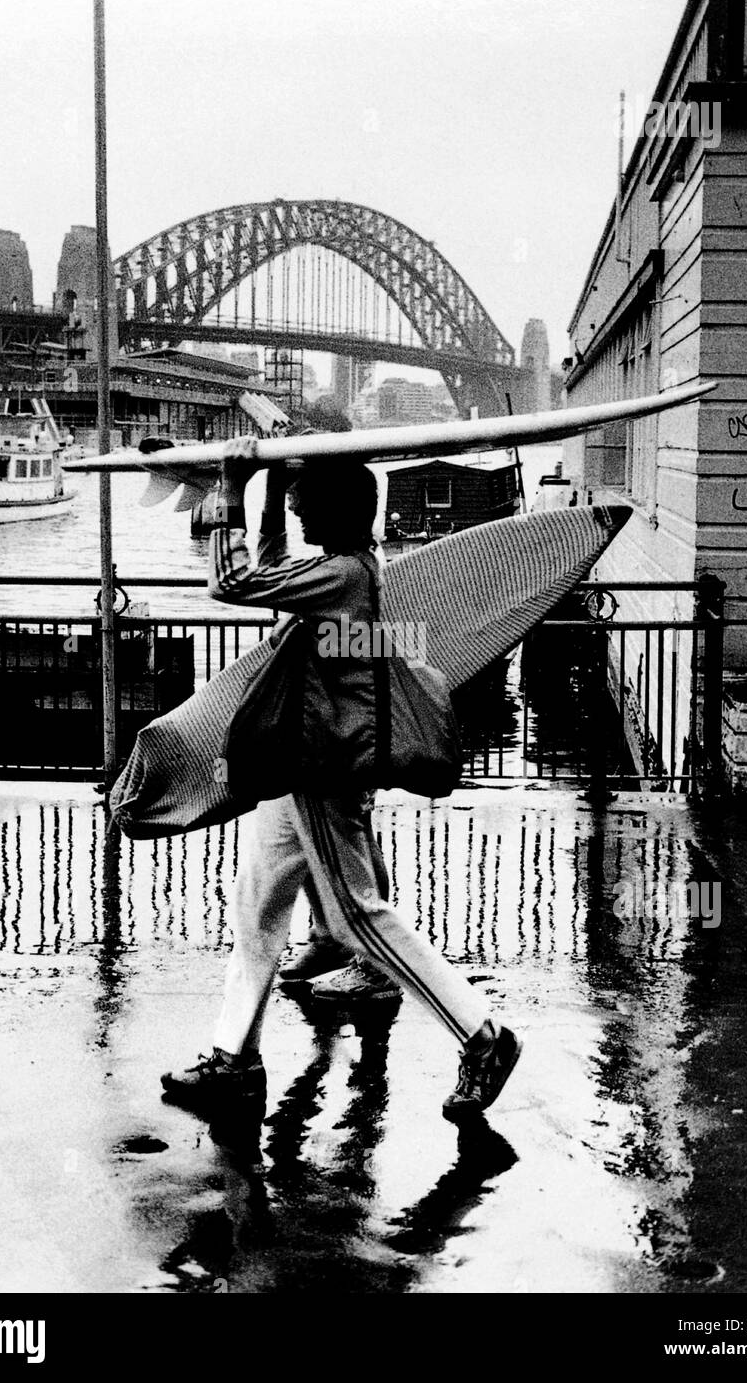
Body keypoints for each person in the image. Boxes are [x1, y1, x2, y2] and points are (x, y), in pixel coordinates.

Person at [161, 438, 522, 1121]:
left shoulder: (345, 577)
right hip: (303, 757)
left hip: (321, 765)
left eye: (301, 502)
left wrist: (231, 489)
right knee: (259, 902)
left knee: (358, 914)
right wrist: (268, 482)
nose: (294, 510)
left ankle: (484, 1036)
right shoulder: (344, 568)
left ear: (333, 510)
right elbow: (268, 569)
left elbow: (231, 583)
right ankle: (232, 1060)